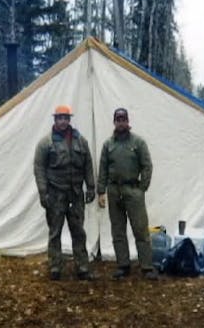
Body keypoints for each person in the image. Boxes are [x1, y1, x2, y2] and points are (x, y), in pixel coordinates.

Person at [34, 105, 96, 281]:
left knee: (79, 232)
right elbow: (39, 168)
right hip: (55, 194)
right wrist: (43, 192)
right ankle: (55, 266)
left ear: (69, 120)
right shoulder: (45, 143)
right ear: (55, 120)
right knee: (55, 232)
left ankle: (82, 266)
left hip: (76, 194)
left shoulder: (80, 141)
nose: (62, 121)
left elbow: (88, 164)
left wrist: (90, 187)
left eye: (65, 118)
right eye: (59, 118)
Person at [97, 108, 158, 280]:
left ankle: (146, 266)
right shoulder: (108, 145)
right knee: (118, 230)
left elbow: (147, 165)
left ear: (128, 121)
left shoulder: (138, 142)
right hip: (114, 190)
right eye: (118, 119)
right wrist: (101, 191)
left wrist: (142, 188)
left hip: (133, 190)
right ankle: (123, 265)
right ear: (114, 122)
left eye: (124, 119)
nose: (121, 122)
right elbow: (102, 169)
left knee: (140, 229)